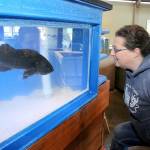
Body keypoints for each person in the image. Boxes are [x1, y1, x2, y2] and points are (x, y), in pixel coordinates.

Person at [109, 25, 150, 150]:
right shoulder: (129, 69)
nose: (111, 53)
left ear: (136, 52)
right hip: (141, 129)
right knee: (120, 133)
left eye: (116, 49)